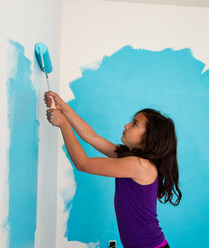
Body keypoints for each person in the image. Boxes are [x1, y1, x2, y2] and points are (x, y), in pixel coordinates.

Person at [44, 91, 182, 248]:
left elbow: (82, 163)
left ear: (149, 138)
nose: (126, 125)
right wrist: (61, 104)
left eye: (135, 124)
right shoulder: (130, 160)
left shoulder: (139, 165)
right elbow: (92, 137)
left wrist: (63, 124)